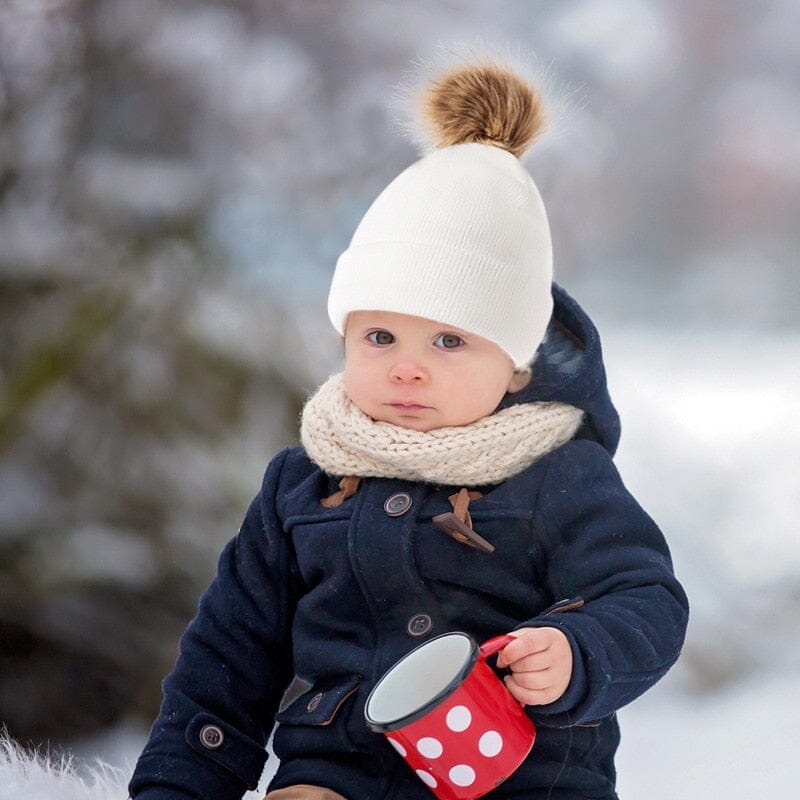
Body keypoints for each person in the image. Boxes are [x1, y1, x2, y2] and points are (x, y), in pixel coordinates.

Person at [129, 58, 689, 800]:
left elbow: (644, 597)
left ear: (517, 366)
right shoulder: (303, 485)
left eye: (450, 341)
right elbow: (230, 651)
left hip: (524, 779)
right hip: (340, 773)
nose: (407, 369)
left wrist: (578, 652)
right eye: (381, 337)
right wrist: (180, 784)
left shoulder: (559, 475)